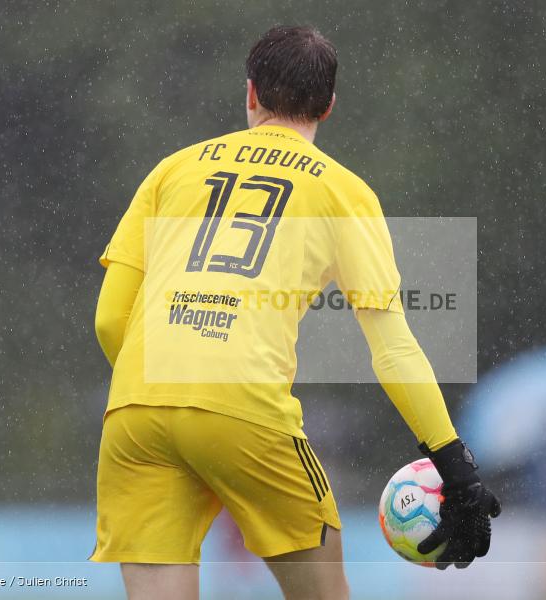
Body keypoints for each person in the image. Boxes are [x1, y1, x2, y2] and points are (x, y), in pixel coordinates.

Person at [90, 25, 500, 600]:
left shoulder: (172, 169)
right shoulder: (343, 192)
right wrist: (455, 466)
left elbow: (110, 319)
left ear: (251, 93)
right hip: (245, 409)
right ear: (328, 106)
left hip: (135, 411)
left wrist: (170, 398)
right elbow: (393, 349)